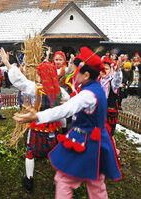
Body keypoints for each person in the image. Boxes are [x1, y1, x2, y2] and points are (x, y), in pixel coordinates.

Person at [13, 47, 122, 199]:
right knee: (96, 186)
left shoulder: (87, 94)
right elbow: (83, 106)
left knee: (64, 180)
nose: (72, 72)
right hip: (98, 143)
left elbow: (64, 110)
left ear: (86, 74)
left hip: (85, 143)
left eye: (75, 69)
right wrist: (71, 101)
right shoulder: (95, 89)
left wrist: (36, 116)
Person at [0, 47, 70, 193]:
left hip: (38, 127)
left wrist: (7, 63)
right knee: (56, 152)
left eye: (39, 74)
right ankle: (61, 179)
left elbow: (20, 81)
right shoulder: (60, 91)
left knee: (30, 151)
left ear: (41, 76)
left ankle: (29, 179)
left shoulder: (35, 88)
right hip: (54, 128)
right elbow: (68, 104)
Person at [99, 57, 122, 136]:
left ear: (110, 70)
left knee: (108, 135)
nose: (104, 71)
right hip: (98, 113)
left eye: (106, 69)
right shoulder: (97, 82)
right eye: (102, 69)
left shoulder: (111, 83)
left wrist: (117, 70)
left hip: (109, 115)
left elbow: (117, 81)